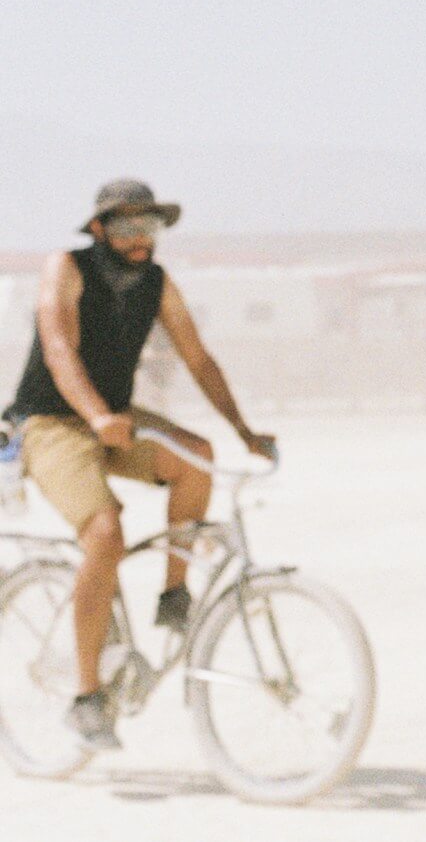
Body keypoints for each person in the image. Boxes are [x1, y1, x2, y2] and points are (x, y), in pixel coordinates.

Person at [5, 179, 276, 751]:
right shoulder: (67, 267)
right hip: (51, 423)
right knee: (105, 535)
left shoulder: (156, 282)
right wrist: (97, 416)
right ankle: (86, 699)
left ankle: (173, 596)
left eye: (149, 227)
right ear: (98, 229)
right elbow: (58, 349)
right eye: (127, 227)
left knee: (197, 459)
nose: (139, 239)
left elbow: (198, 360)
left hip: (116, 420)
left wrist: (244, 430)